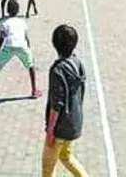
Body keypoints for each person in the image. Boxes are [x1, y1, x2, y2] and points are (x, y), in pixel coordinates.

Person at [42, 24, 88, 177]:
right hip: (74, 122)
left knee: (48, 167)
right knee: (66, 157)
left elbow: (57, 104)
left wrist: (50, 130)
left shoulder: (58, 69)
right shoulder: (78, 63)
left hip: (60, 127)